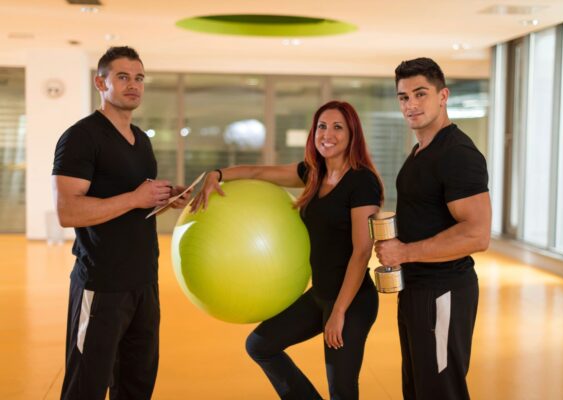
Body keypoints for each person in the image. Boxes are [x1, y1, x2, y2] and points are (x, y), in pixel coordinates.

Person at [191, 100, 383, 400]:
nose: (327, 134)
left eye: (337, 127)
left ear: (352, 134)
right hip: (320, 295)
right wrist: (217, 173)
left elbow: (361, 252)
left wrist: (339, 312)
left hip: (352, 300)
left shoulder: (362, 182)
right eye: (321, 126)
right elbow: (256, 173)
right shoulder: (313, 173)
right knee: (260, 345)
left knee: (342, 391)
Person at [52, 46, 190, 400]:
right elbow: (69, 211)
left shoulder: (141, 140)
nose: (133, 85)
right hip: (102, 282)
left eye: (139, 78)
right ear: (101, 82)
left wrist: (167, 199)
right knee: (87, 385)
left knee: (137, 384)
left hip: (143, 282)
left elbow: (136, 206)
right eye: (123, 77)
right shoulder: (81, 136)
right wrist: (135, 198)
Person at [374, 57, 491, 400]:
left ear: (443, 96)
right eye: (403, 97)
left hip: (445, 291)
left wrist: (405, 251)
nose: (411, 104)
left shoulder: (458, 154)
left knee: (441, 391)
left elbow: (477, 234)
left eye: (420, 94)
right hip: (418, 288)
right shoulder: (421, 151)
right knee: (419, 389)